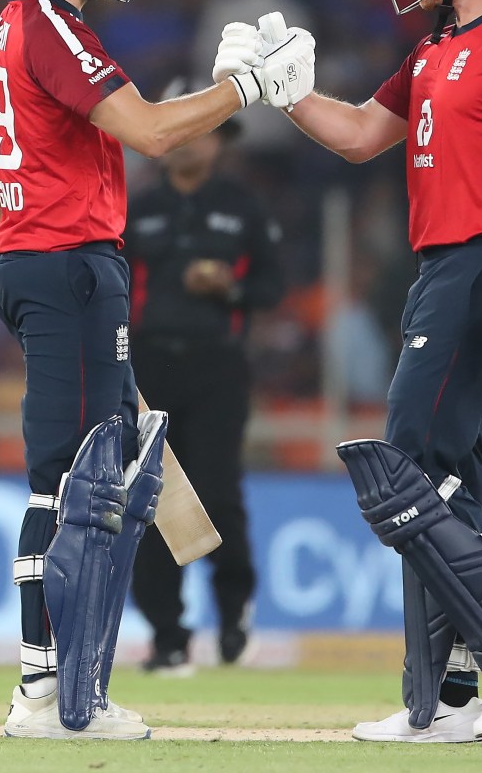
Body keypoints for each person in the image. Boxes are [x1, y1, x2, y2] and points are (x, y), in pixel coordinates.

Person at [214, 0, 482, 743]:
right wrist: (277, 92)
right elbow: (353, 136)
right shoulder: (431, 52)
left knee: (404, 471)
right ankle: (445, 700)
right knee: (451, 489)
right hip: (443, 268)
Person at [0, 0, 312, 740]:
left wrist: (26, 231)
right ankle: (48, 696)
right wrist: (246, 91)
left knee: (92, 471)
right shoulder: (50, 25)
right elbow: (150, 132)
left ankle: (53, 687)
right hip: (69, 264)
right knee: (71, 483)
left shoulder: (9, 25)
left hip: (38, 259)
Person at [122, 79, 285, 674]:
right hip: (148, 366)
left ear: (221, 141)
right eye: (180, 129)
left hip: (218, 366)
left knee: (217, 496)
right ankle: (168, 637)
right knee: (151, 499)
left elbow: (271, 286)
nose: (189, 143)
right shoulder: (138, 206)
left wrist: (231, 289)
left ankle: (234, 619)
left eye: (202, 130)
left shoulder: (243, 205)